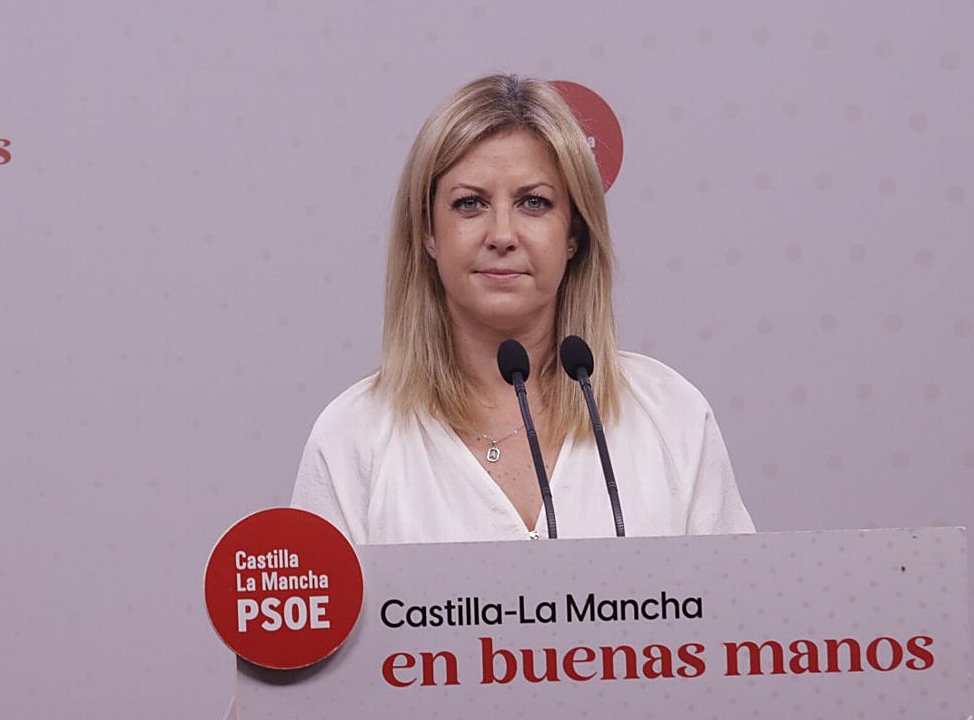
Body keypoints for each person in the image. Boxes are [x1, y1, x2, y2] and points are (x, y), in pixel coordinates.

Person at [291, 74, 753, 544]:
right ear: (427, 230)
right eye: (470, 204)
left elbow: (737, 591)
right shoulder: (353, 436)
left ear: (573, 233)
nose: (502, 235)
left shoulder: (670, 415)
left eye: (534, 203)